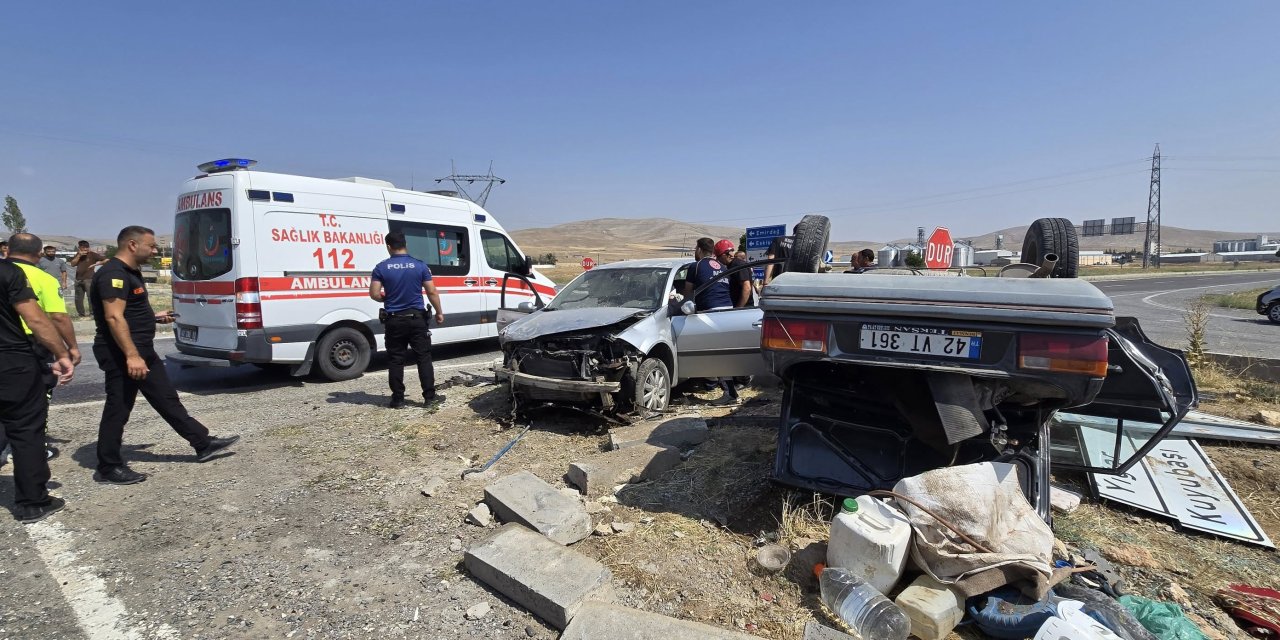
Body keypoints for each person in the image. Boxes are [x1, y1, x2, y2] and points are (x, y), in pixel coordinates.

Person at [91, 226, 238, 484]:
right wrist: (132, 356)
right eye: (152, 245)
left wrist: (153, 317)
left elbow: (128, 313)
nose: (156, 250)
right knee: (119, 407)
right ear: (133, 245)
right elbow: (113, 317)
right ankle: (108, 466)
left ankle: (203, 443)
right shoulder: (112, 275)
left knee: (167, 399)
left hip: (140, 350)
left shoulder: (129, 273)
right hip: (123, 353)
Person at [0, 258, 74, 523]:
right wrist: (61, 353)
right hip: (11, 362)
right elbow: (35, 318)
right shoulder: (9, 272)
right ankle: (33, 502)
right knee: (26, 430)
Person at [7, 234, 80, 461]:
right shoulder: (43, 278)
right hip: (31, 343)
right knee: (36, 398)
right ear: (39, 253)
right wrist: (71, 348)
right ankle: (34, 447)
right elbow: (57, 317)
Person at [369, 230, 446, 409]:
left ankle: (398, 399)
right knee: (423, 358)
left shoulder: (381, 268)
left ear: (389, 247)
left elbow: (374, 294)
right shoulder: (419, 266)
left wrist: (386, 299)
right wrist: (439, 312)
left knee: (396, 359)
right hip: (417, 319)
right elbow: (432, 291)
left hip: (394, 320)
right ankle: (429, 398)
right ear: (405, 244)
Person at [682, 237, 738, 405]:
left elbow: (687, 293)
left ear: (699, 250)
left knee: (716, 356)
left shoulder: (696, 266)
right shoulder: (721, 266)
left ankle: (730, 394)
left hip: (711, 314)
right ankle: (727, 390)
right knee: (722, 354)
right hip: (728, 311)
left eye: (695, 249)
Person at [69, 240, 106, 317]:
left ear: (89, 247)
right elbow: (72, 264)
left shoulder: (93, 255)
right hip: (78, 279)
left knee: (91, 297)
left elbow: (107, 260)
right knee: (78, 298)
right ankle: (81, 314)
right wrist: (79, 255)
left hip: (89, 279)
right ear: (79, 248)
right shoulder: (77, 255)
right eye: (83, 248)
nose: (85, 249)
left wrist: (97, 264)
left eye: (86, 247)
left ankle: (92, 313)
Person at [715, 239, 754, 308]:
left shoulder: (737, 265)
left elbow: (747, 288)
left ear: (724, 255)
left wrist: (738, 308)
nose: (718, 260)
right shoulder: (731, 265)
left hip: (744, 309)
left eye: (718, 257)